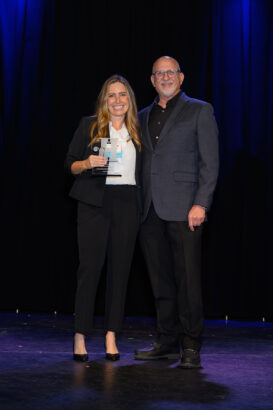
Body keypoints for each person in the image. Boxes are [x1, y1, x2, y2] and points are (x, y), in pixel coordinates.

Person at [134, 56, 219, 368]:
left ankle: (191, 345)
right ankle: (166, 341)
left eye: (171, 72)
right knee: (159, 282)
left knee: (188, 281)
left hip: (186, 210)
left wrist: (201, 203)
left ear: (181, 78)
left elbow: (210, 162)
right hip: (149, 210)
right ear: (152, 80)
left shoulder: (200, 109)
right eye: (159, 73)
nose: (165, 77)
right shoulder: (141, 115)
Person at [65, 75, 141, 362]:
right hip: (94, 204)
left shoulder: (139, 129)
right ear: (104, 100)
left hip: (127, 205)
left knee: (120, 272)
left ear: (130, 100)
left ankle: (111, 335)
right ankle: (80, 335)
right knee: (90, 270)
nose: (118, 100)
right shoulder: (90, 125)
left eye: (123, 95)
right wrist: (85, 163)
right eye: (112, 95)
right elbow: (69, 164)